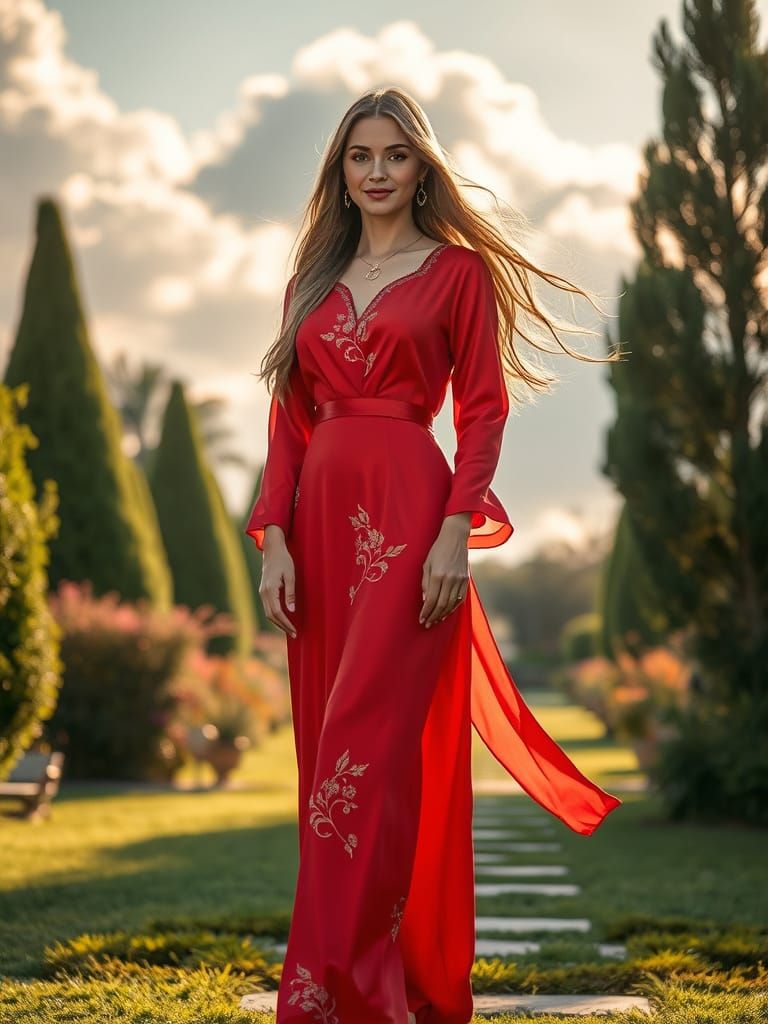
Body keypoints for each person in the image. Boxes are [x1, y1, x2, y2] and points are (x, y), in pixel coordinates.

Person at [243, 86, 623, 1024]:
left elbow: (483, 410)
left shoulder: (457, 274)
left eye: (395, 156)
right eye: (359, 157)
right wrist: (274, 541)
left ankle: (328, 987)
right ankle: (356, 979)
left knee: (369, 753)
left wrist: (456, 529)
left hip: (412, 518)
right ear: (341, 171)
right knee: (330, 749)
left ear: (423, 169)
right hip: (320, 530)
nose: (376, 173)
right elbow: (288, 427)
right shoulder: (309, 285)